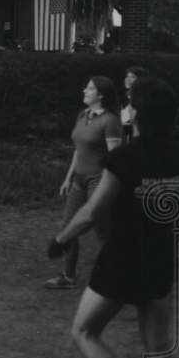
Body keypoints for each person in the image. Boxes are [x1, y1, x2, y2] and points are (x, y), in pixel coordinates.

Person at [46, 77, 179, 358]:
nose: (126, 108)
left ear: (137, 114)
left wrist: (61, 240)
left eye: (130, 103)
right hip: (159, 257)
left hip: (122, 258)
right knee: (158, 346)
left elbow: (92, 212)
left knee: (84, 331)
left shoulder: (124, 158)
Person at [45, 77, 122, 289]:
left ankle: (118, 277)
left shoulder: (110, 121)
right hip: (79, 180)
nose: (84, 90)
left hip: (99, 181)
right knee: (69, 226)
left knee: (103, 231)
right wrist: (68, 178)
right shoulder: (82, 115)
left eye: (89, 88)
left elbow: (115, 160)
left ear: (101, 95)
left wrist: (107, 188)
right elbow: (78, 150)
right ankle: (68, 277)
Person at [119, 65, 149, 144]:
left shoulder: (142, 99)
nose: (127, 79)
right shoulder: (126, 97)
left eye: (132, 77)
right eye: (127, 76)